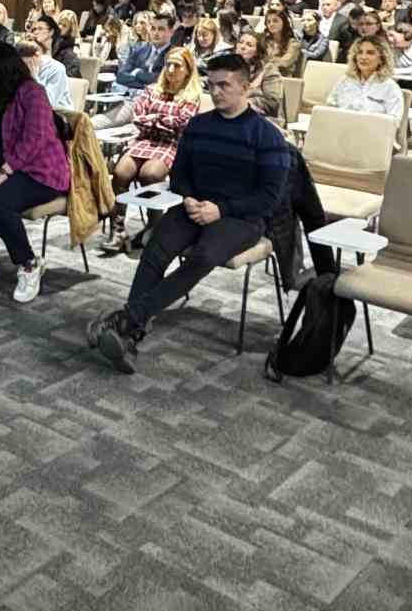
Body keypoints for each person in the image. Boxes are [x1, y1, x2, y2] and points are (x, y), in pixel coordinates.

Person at [87, 53, 293, 372]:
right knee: (155, 248)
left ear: (245, 86)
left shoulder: (265, 135)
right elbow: (180, 174)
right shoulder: (199, 125)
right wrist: (189, 198)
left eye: (225, 85)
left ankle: (128, 320)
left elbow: (269, 198)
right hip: (195, 206)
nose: (217, 91)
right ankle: (130, 330)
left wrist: (221, 209)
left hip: (241, 217)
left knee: (203, 255)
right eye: (211, 85)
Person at [0, 43, 70, 303]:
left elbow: (35, 139)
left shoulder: (33, 93)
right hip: (0, 164)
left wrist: (6, 171)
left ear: (1, 68)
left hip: (40, 170)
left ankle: (29, 263)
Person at [100, 49, 202, 253]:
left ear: (188, 70)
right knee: (120, 173)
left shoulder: (192, 96)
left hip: (170, 144)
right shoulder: (152, 89)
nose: (171, 70)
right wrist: (161, 121)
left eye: (177, 66)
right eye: (168, 64)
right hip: (143, 140)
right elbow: (138, 117)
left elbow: (183, 125)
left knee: (151, 174)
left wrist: (154, 118)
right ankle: (118, 230)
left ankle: (154, 226)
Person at [326, 34, 406, 125]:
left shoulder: (390, 87)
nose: (363, 57)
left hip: (372, 135)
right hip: (341, 131)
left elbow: (393, 123)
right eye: (360, 52)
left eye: (370, 53)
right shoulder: (344, 81)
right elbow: (329, 108)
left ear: (382, 59)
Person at [115, 11, 172, 91]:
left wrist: (137, 73)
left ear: (171, 32)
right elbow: (120, 75)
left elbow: (162, 79)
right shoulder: (140, 50)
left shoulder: (174, 54)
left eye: (161, 29)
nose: (155, 33)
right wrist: (145, 85)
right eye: (153, 29)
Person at [234, 29, 284, 119]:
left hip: (263, 120)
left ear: (257, 52)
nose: (242, 47)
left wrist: (244, 103)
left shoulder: (269, 70)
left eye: (249, 45)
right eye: (240, 42)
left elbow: (272, 103)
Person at [17, 35, 71, 108]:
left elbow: (49, 103)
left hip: (58, 112)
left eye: (27, 64)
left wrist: (34, 77)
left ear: (36, 56)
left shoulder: (57, 69)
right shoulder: (17, 65)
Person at [261, 9, 304, 79]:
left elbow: (285, 62)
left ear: (284, 22)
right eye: (268, 22)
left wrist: (266, 61)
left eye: (275, 21)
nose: (271, 24)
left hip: (283, 79)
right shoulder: (264, 40)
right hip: (263, 77)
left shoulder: (293, 43)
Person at [53, 10, 85, 78]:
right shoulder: (55, 40)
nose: (60, 27)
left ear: (71, 28)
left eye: (64, 25)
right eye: (59, 23)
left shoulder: (73, 47)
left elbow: (72, 74)